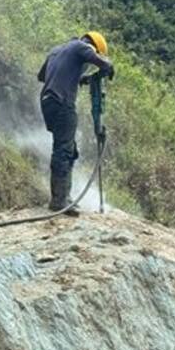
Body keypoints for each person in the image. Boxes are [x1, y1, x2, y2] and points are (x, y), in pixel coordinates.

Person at [37, 32, 114, 214]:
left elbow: (42, 76)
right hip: (63, 102)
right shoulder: (82, 47)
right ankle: (59, 201)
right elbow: (99, 61)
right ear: (93, 45)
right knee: (64, 150)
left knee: (69, 150)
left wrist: (78, 78)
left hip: (47, 102)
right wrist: (108, 66)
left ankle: (65, 197)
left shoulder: (56, 51)